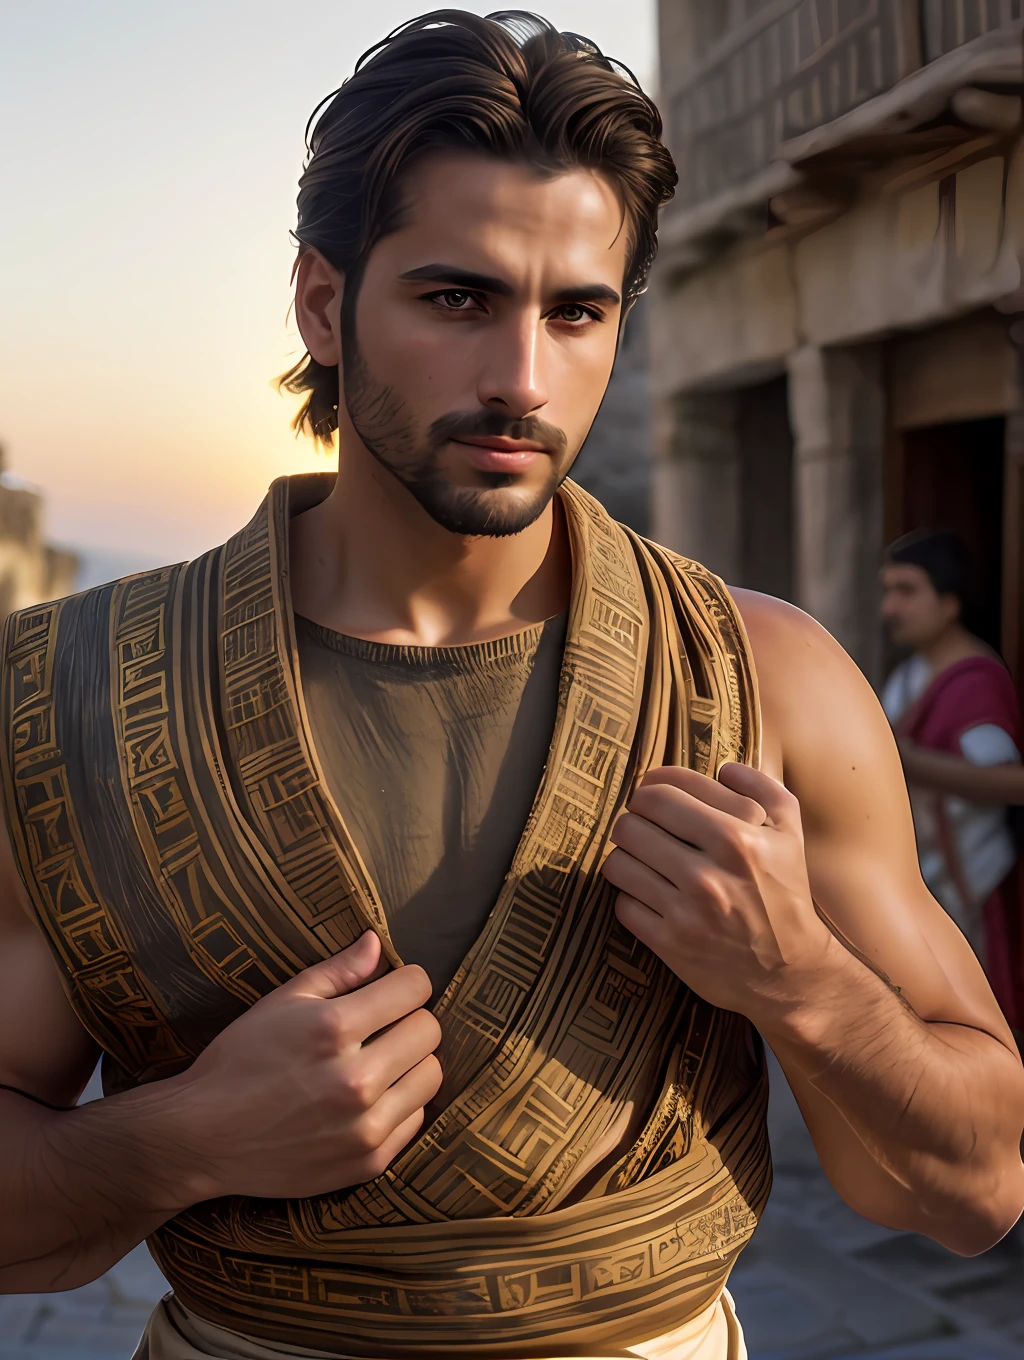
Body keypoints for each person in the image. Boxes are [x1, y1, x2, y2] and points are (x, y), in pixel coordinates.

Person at [1, 13, 1022, 1360]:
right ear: (323, 303)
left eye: (577, 312)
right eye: (455, 298)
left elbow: (972, 1190)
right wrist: (181, 1139)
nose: (521, 379)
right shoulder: (70, 697)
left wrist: (803, 980)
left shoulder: (766, 684)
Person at [881, 529, 1024, 1028]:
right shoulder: (909, 675)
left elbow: (1012, 783)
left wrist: (911, 762)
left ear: (950, 602)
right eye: (887, 591)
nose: (890, 607)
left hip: (974, 885)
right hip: (922, 882)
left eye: (907, 590)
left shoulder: (976, 680)